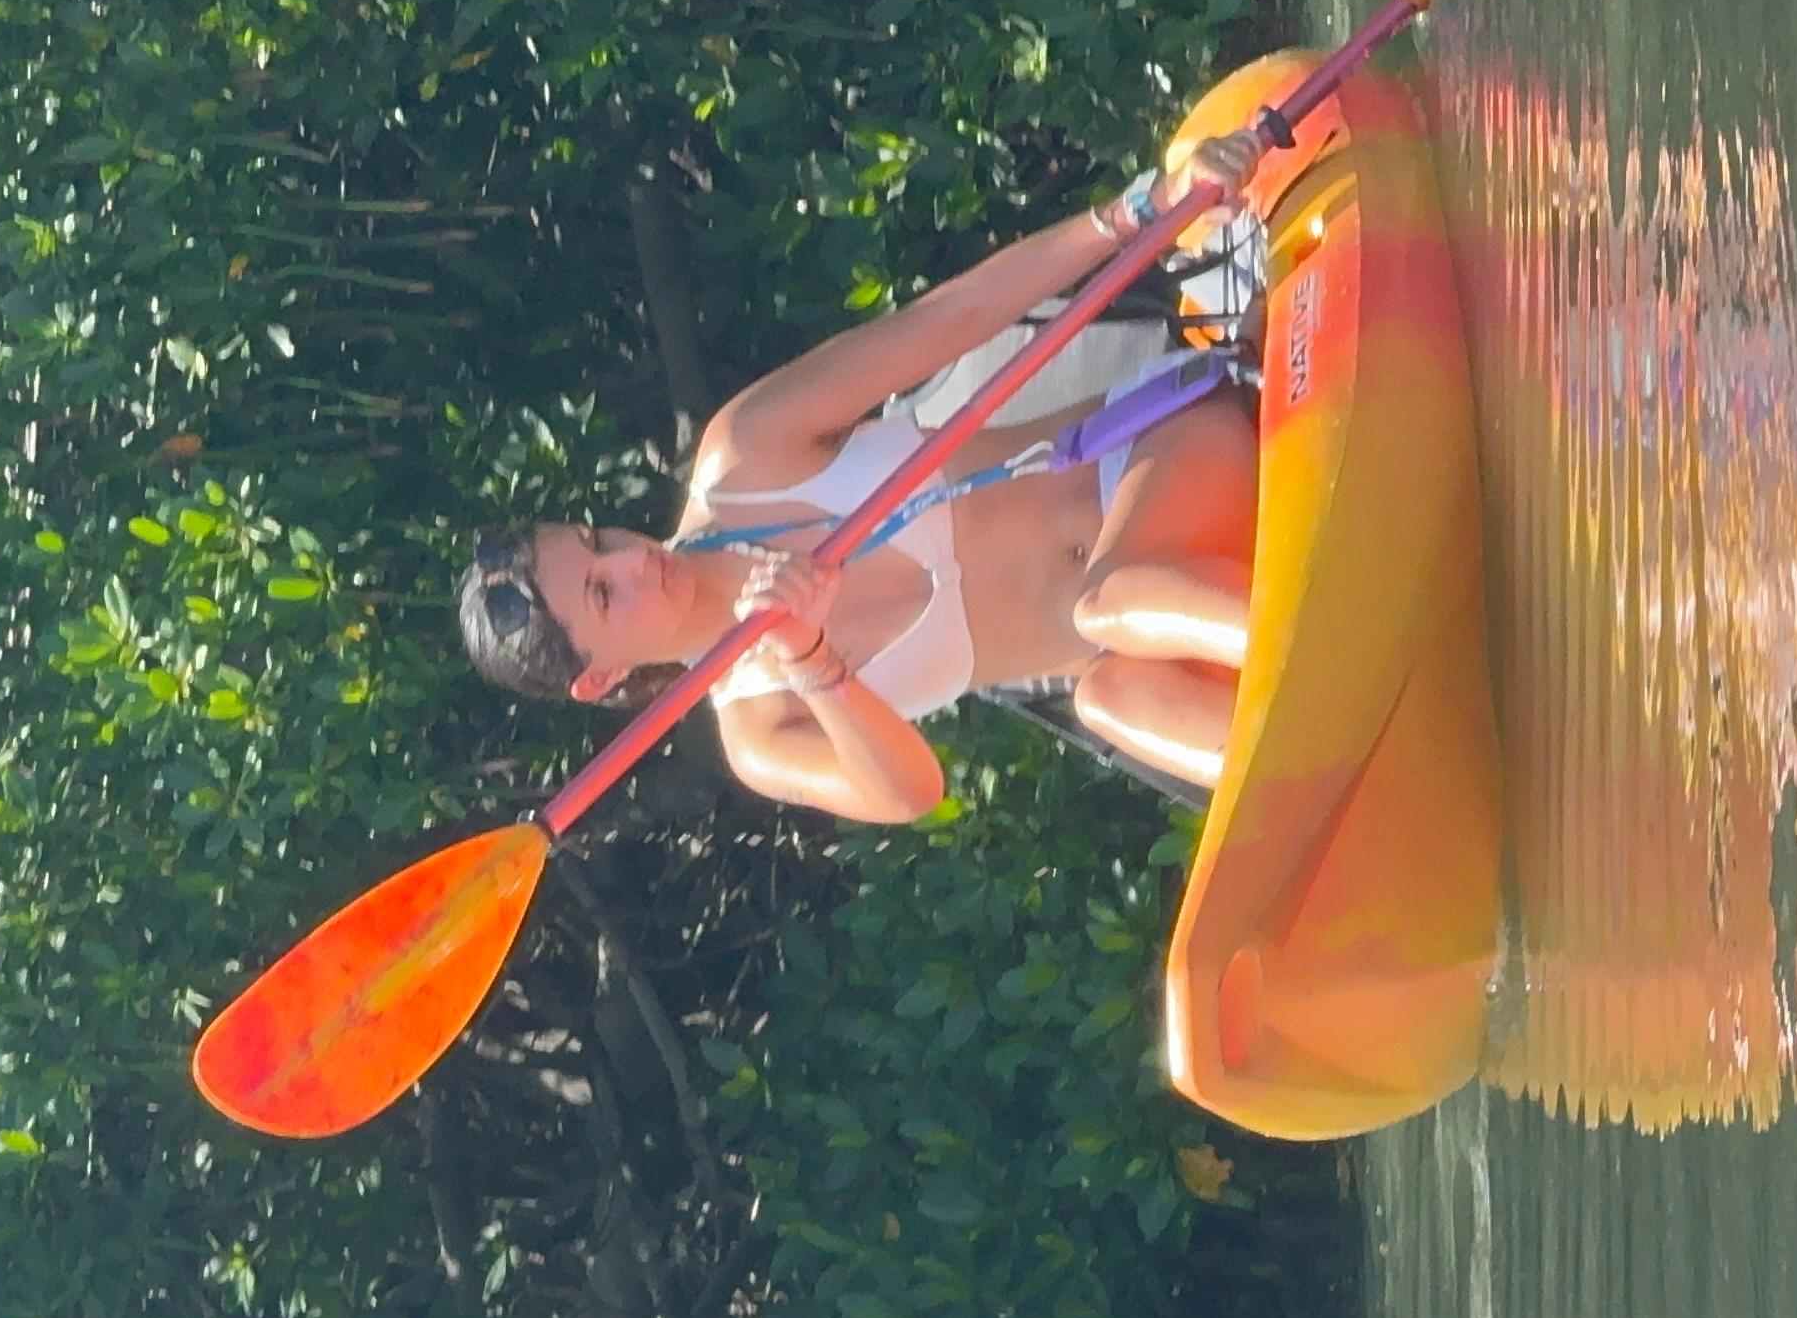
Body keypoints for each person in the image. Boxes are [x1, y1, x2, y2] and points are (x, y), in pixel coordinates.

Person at [457, 132, 1270, 824]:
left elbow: (950, 319)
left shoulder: (746, 455)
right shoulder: (761, 730)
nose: (634, 560)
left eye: (600, 542)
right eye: (604, 593)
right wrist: (812, 658)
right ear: (601, 679)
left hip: (1175, 444)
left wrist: (1139, 209)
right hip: (1171, 622)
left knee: (1114, 602)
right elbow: (912, 794)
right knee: (1111, 699)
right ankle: (1353, 746)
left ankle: (1337, 637)